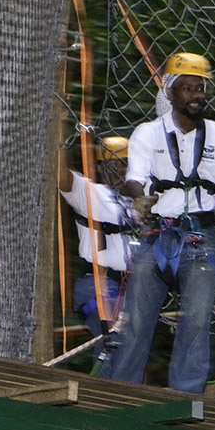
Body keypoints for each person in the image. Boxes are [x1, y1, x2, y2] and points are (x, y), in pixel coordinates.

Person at [101, 51, 215, 394]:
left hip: (201, 239)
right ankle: (120, 393)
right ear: (171, 92)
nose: (195, 94)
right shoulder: (148, 133)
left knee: (198, 321)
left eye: (200, 87)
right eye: (187, 87)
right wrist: (140, 196)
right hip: (158, 235)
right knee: (138, 320)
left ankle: (187, 397)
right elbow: (137, 177)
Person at [58, 136, 134, 355]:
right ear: (101, 168)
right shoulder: (91, 193)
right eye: (114, 164)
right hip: (98, 283)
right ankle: (107, 383)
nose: (121, 170)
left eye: (125, 164)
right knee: (117, 340)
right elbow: (63, 178)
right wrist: (62, 142)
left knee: (133, 348)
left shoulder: (138, 202)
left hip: (132, 288)